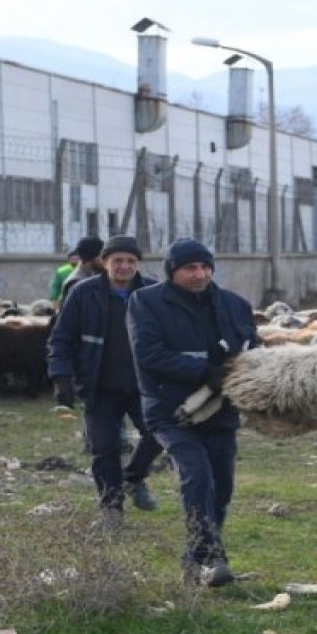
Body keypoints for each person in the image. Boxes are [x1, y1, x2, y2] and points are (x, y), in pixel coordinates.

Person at [127, 238, 257, 588]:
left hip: (221, 410)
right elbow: (149, 354)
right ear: (173, 271)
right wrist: (204, 372)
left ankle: (195, 559)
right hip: (170, 409)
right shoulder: (147, 302)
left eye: (205, 267)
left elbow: (251, 351)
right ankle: (213, 557)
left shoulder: (234, 305)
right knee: (197, 476)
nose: (200, 274)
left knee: (222, 486)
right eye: (190, 268)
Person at [46, 235, 162, 529]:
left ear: (138, 264)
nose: (124, 266)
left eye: (131, 261)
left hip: (144, 387)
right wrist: (62, 379)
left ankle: (133, 478)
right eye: (117, 260)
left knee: (160, 434)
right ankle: (111, 510)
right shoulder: (84, 293)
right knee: (104, 450)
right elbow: (62, 338)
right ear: (105, 262)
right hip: (100, 385)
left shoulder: (153, 293)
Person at [60, 235, 106, 304]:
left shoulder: (92, 275)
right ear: (92, 257)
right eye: (102, 257)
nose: (105, 260)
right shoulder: (77, 282)